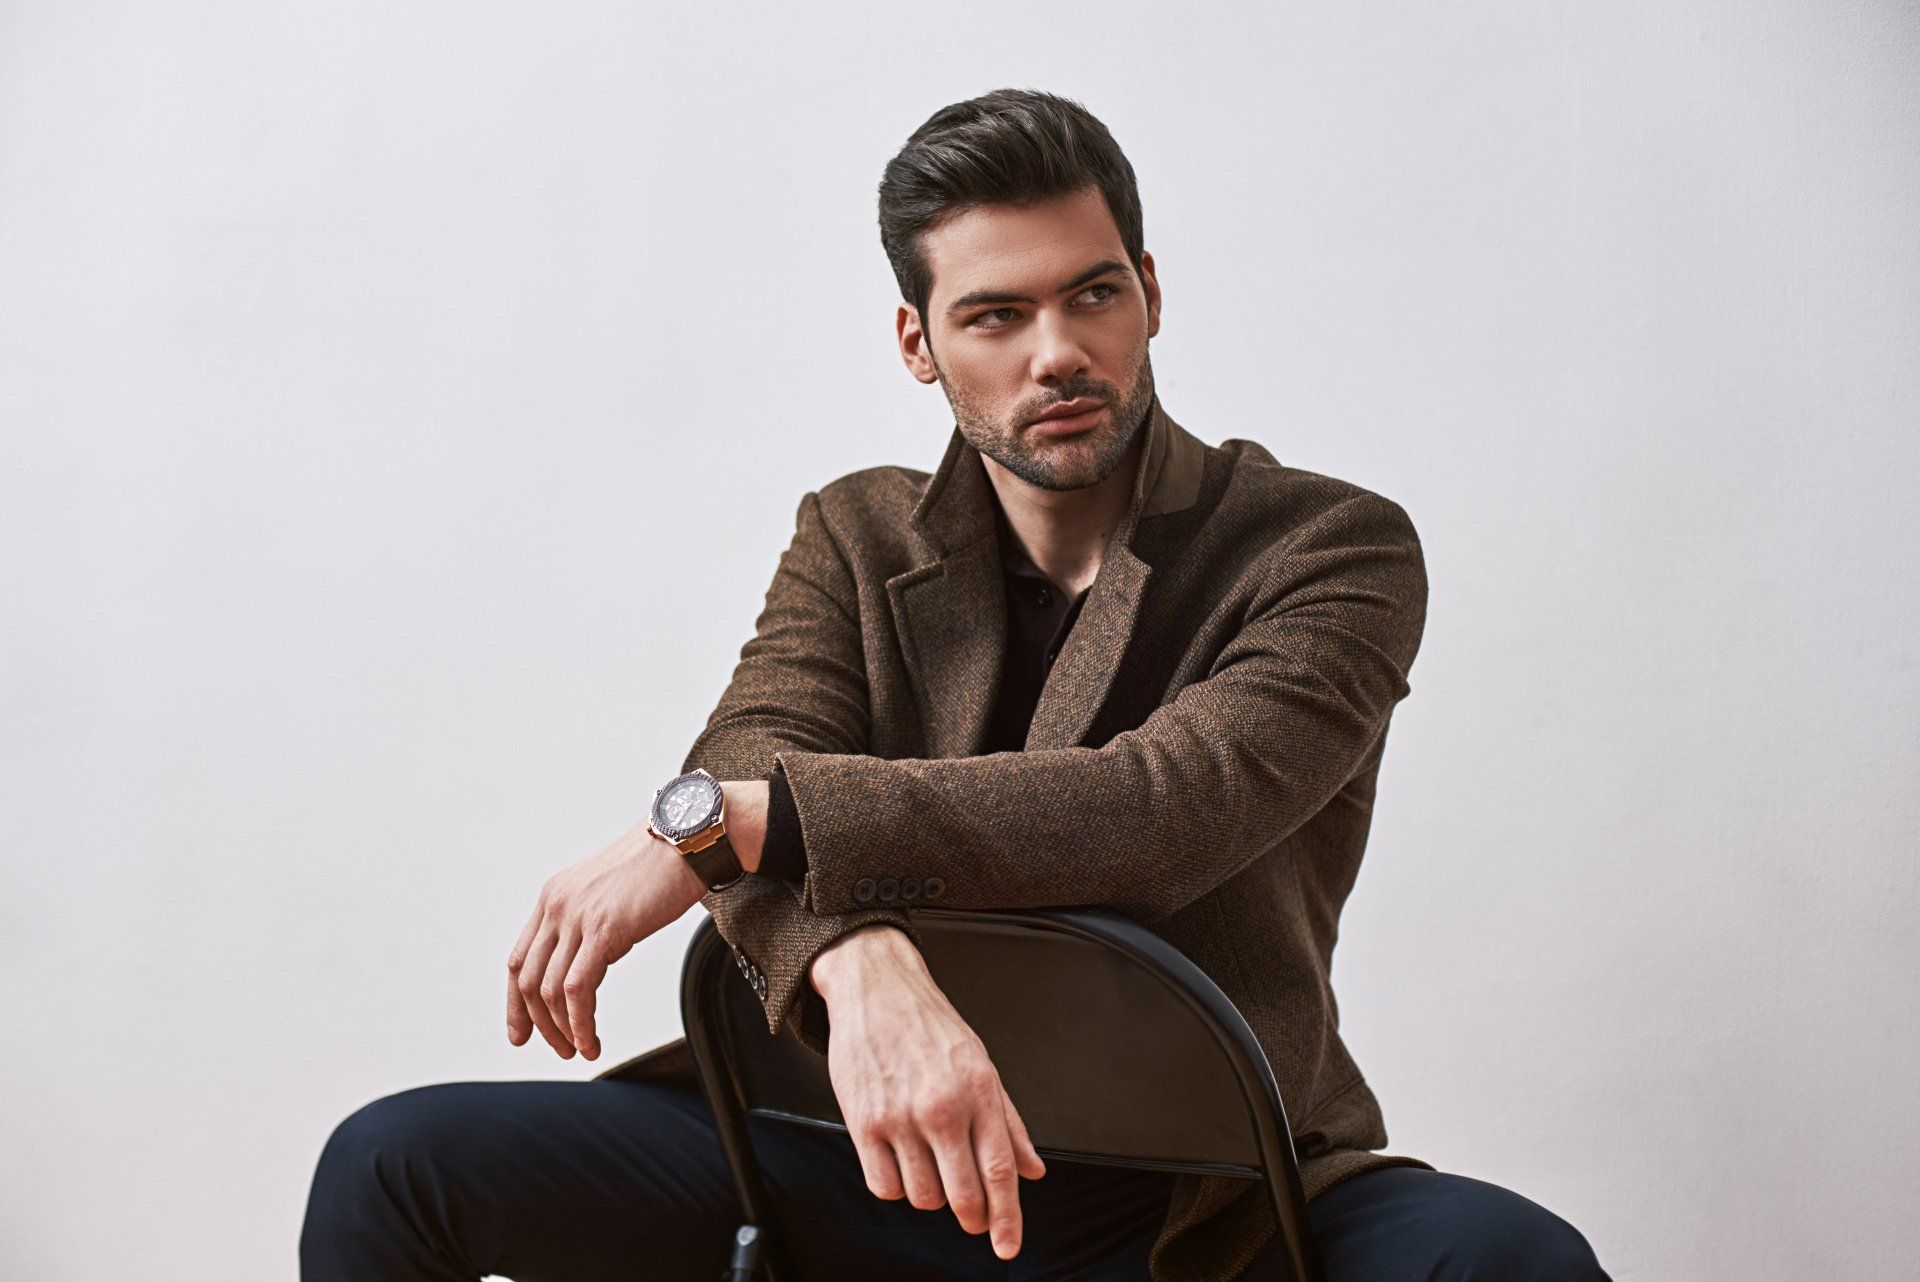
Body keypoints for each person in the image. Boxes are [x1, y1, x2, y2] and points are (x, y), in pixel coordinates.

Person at [301, 87, 1612, 1281]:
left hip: (1189, 1183)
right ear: (919, 342)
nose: (1056, 352)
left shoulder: (1328, 546)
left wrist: (753, 825)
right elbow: (756, 740)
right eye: (995, 314)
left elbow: (1161, 813)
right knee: (392, 1163)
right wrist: (858, 956)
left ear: (1150, 292)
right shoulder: (855, 535)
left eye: (1091, 294)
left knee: (1514, 1260)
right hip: (843, 1141)